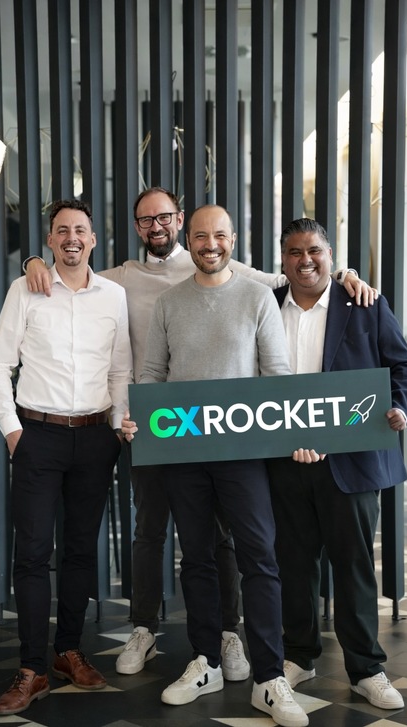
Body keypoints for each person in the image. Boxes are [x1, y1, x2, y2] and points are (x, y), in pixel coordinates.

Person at [24, 187, 374, 681]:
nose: (156, 226)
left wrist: (345, 274)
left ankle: (233, 639)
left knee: (229, 542)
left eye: (164, 217)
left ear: (181, 222)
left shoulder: (233, 271)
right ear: (139, 227)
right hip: (162, 431)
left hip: (232, 439)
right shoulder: (122, 277)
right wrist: (33, 262)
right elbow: (74, 272)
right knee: (151, 533)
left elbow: (295, 275)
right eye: (146, 220)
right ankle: (146, 630)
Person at [122, 204, 309, 727]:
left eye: (219, 235)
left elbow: (277, 374)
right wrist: (141, 417)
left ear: (232, 239)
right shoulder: (169, 302)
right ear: (190, 238)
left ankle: (269, 678)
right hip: (183, 456)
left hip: (244, 456)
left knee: (259, 559)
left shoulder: (256, 297)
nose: (210, 244)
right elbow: (153, 373)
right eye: (201, 236)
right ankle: (204, 661)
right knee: (197, 560)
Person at [0, 199, 133, 717]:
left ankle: (68, 651)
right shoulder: (25, 289)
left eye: (80, 230)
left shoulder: (114, 295)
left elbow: (120, 370)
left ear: (93, 239)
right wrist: (13, 432)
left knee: (80, 551)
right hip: (38, 437)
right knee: (31, 554)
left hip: (95, 438)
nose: (72, 237)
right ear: (49, 241)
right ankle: (31, 668)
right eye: (62, 230)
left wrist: (117, 428)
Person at [266, 218, 407, 710]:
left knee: (353, 566)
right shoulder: (265, 303)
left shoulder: (365, 304)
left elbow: (403, 366)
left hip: (350, 463)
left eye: (314, 250)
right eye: (294, 252)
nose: (305, 260)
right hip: (283, 461)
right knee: (293, 565)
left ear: (330, 255)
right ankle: (300, 655)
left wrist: (400, 408)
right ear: (282, 259)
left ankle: (366, 669)